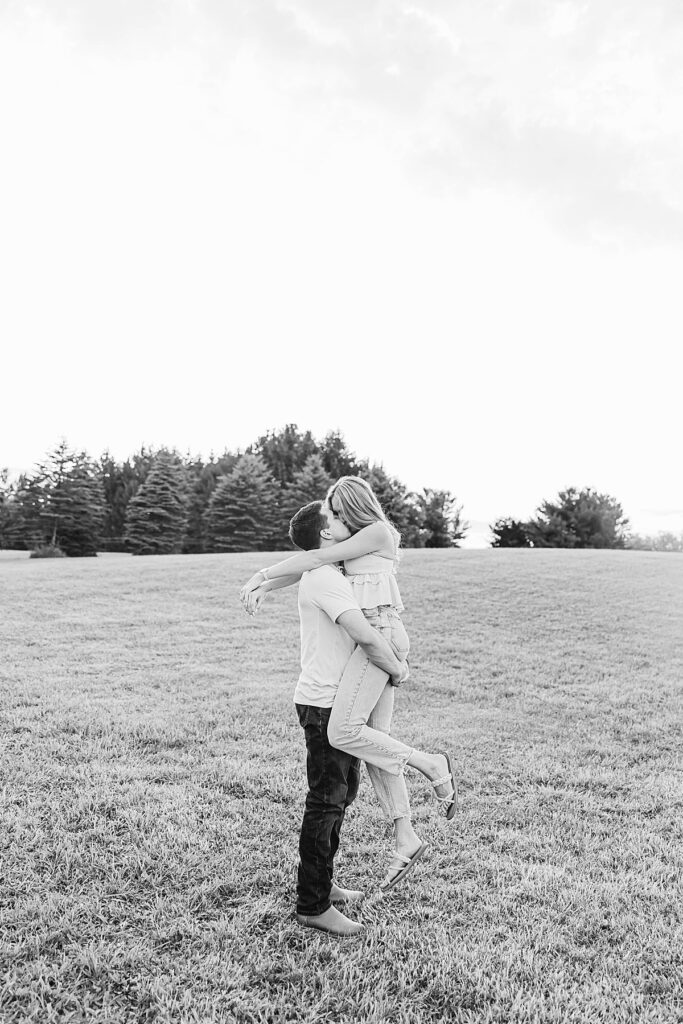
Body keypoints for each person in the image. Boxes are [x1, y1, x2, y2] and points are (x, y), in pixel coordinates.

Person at [242, 476, 457, 892]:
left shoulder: (377, 532)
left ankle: (432, 764)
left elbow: (314, 558)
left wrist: (261, 573)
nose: (335, 518)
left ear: (356, 505)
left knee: (344, 732)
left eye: (339, 511)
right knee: (375, 741)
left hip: (380, 634)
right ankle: (405, 837)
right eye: (333, 513)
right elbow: (313, 564)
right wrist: (268, 586)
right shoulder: (353, 543)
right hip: (375, 634)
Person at [259, 500, 410, 936]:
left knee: (341, 795)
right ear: (326, 533)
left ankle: (324, 884)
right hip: (324, 703)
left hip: (337, 700)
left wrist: (265, 580)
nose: (346, 522)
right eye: (337, 518)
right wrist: (398, 669)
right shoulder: (325, 577)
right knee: (326, 801)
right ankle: (313, 904)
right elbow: (366, 637)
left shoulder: (331, 569)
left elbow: (301, 566)